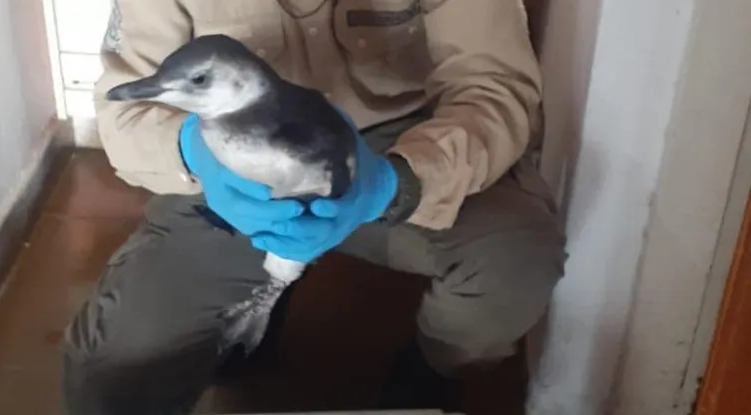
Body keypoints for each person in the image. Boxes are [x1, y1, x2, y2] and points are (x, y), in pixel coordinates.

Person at [62, 0, 566, 413]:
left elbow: (494, 89)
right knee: (113, 380)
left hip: (395, 151)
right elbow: (124, 113)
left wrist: (402, 181)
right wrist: (196, 152)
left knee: (514, 261)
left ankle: (430, 369)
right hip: (237, 173)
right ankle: (265, 290)